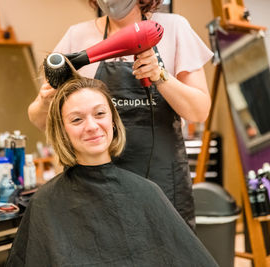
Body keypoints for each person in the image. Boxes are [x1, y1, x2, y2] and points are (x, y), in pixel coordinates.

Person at [28, 0, 213, 229]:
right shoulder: (76, 36)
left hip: (162, 181)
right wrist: (45, 101)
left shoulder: (174, 28)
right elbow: (38, 119)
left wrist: (160, 75)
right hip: (94, 186)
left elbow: (200, 111)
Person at [6, 77, 218, 266]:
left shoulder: (147, 193)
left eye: (100, 114)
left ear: (113, 122)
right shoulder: (45, 202)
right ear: (62, 131)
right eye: (77, 119)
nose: (92, 126)